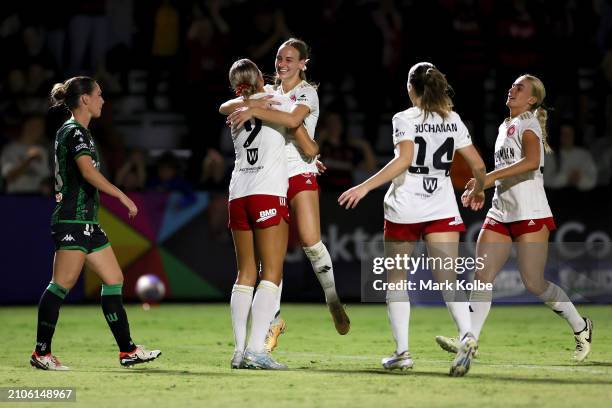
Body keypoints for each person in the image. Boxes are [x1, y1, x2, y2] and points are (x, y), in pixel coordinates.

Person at [338, 62, 486, 377]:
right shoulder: (453, 120)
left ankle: (402, 353)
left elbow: (404, 159)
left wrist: (365, 186)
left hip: (405, 207)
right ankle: (467, 334)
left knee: (396, 280)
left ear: (410, 88)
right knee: (449, 280)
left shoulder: (404, 118)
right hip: (442, 207)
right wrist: (479, 189)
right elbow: (478, 165)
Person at [436, 74, 593, 362]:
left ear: (532, 99)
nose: (512, 89)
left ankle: (581, 327)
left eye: (520, 88)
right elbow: (507, 170)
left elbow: (531, 162)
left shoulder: (528, 123)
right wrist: (484, 189)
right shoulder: (505, 125)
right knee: (482, 276)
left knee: (534, 283)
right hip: (501, 211)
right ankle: (468, 341)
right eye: (512, 85)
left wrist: (488, 178)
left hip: (529, 212)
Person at [222, 38, 350, 352]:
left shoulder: (307, 92)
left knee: (309, 240)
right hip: (272, 175)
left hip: (299, 171)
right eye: (279, 58)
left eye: (290, 59)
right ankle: (273, 322)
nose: (282, 64)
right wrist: (255, 104)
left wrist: (252, 107)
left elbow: (294, 122)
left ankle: (331, 296)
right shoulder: (271, 93)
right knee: (271, 259)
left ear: (303, 63)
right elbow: (228, 105)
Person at [30, 77, 161, 371]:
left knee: (114, 279)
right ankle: (41, 353)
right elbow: (87, 173)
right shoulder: (73, 131)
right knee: (61, 284)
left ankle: (127, 351)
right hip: (72, 220)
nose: (103, 100)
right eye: (99, 95)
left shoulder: (82, 133)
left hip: (87, 222)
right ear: (85, 100)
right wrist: (122, 196)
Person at [225, 58, 318, 370]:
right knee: (272, 274)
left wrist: (248, 104)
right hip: (267, 193)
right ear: (260, 79)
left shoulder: (234, 107)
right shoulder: (279, 101)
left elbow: (225, 106)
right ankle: (257, 351)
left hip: (238, 194)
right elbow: (308, 144)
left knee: (244, 274)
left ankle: (239, 351)